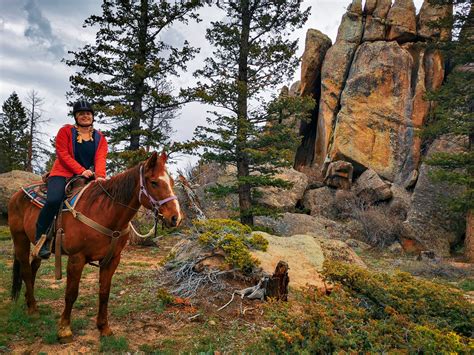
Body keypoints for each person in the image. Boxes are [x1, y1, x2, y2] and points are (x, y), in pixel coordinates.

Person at [34, 100, 108, 259]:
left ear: (93, 117)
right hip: (62, 173)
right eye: (81, 114)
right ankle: (41, 238)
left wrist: (100, 176)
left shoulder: (100, 137)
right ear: (75, 116)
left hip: (87, 175)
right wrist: (81, 170)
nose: (85, 116)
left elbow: (101, 158)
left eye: (88, 113)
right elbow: (63, 155)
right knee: (54, 200)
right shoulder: (65, 131)